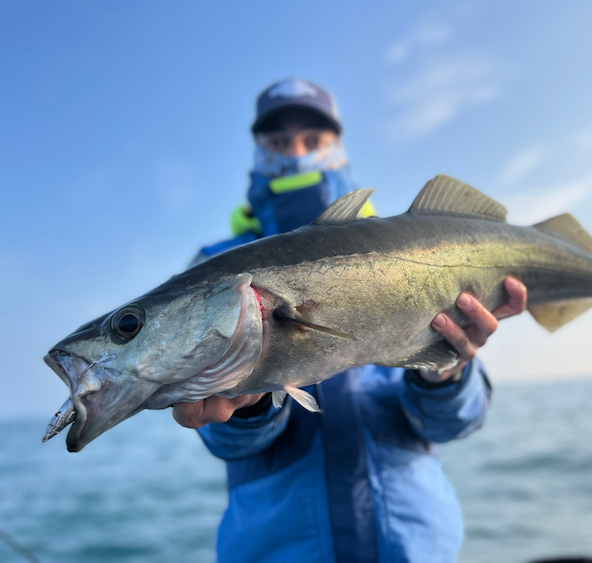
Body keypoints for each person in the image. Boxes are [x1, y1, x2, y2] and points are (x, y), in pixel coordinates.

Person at [173, 78, 527, 563]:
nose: (295, 151)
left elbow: (453, 424)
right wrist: (246, 405)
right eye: (277, 141)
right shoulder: (214, 269)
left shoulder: (416, 248)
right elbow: (225, 439)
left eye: (313, 139)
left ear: (337, 146)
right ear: (257, 150)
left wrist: (446, 367)